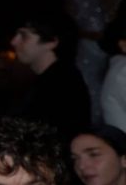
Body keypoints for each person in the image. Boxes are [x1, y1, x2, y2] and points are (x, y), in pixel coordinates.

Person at [10, 11, 91, 142]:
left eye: (24, 36)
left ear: (52, 42)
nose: (14, 41)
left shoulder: (62, 85)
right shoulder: (51, 79)